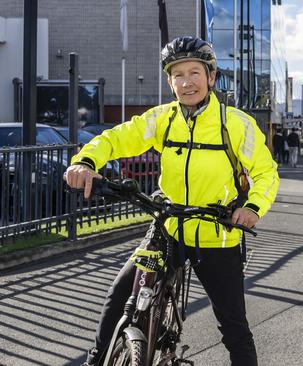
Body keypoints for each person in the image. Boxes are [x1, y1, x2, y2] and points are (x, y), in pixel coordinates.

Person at [65, 36, 279, 366]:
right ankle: (96, 360)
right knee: (121, 292)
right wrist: (86, 161)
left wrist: (251, 209)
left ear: (211, 77)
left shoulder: (235, 124)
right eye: (177, 75)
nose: (186, 82)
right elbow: (117, 137)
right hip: (169, 227)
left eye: (194, 72)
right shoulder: (163, 118)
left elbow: (266, 173)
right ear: (169, 81)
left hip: (216, 234)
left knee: (234, 327)